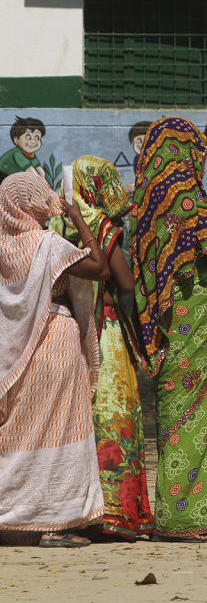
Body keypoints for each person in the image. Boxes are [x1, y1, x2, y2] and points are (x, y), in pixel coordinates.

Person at [129, 117, 207, 541]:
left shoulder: (146, 202)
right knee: (199, 411)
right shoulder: (189, 196)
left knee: (174, 412)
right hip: (196, 319)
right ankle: (189, 516)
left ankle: (175, 513)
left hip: (166, 325)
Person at [49, 156, 155, 540]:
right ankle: (115, 512)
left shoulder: (56, 222)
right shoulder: (100, 224)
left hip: (69, 328)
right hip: (105, 329)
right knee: (114, 415)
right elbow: (123, 282)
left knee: (81, 418)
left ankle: (84, 510)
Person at [0, 172, 108, 547]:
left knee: (21, 431)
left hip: (14, 349)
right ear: (30, 203)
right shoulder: (48, 243)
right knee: (60, 428)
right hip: (54, 340)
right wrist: (78, 218)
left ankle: (11, 516)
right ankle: (52, 522)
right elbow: (99, 268)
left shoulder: (3, 246)